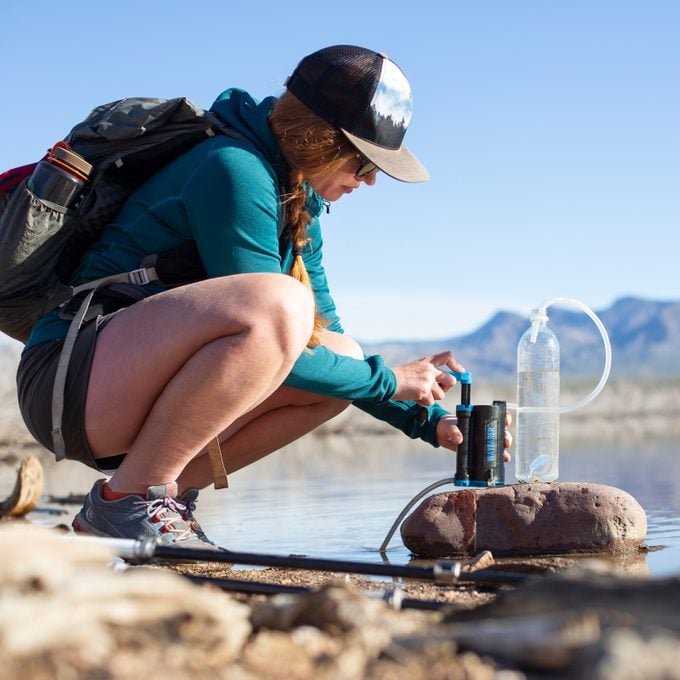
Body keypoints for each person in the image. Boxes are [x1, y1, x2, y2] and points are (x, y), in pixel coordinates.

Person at [16, 45, 508, 547]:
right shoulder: (232, 169)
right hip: (68, 384)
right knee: (281, 307)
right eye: (361, 162)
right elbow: (277, 333)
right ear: (320, 140)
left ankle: (163, 496)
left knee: (342, 359)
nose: (370, 180)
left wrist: (430, 419)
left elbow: (325, 338)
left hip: (118, 387)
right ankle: (131, 501)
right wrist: (392, 380)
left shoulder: (297, 200)